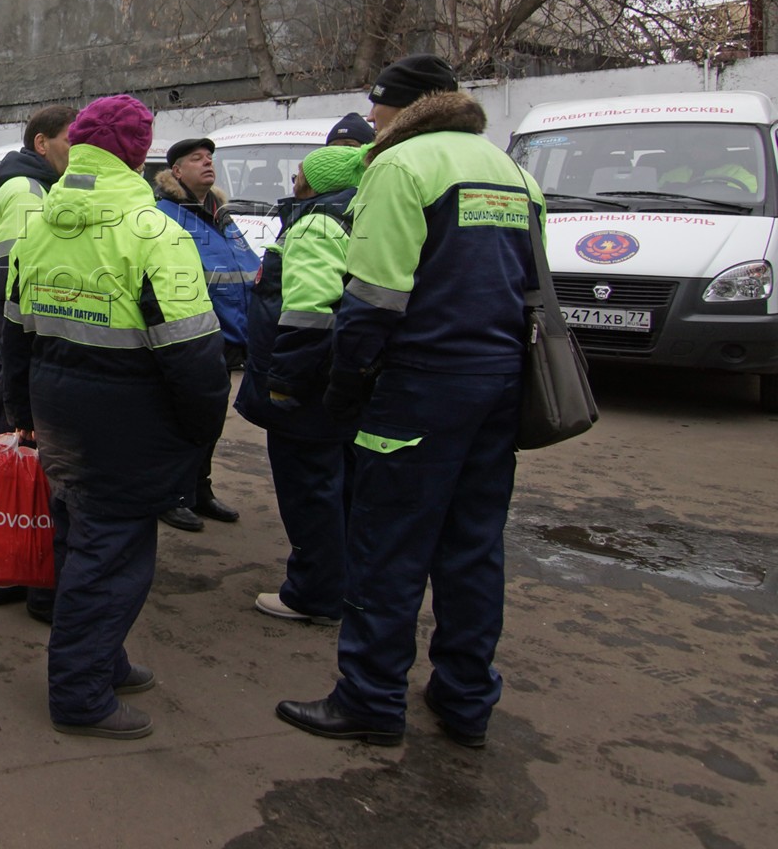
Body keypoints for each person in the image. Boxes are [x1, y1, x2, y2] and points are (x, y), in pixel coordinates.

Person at [276, 54, 542, 750]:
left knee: (386, 545)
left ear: (410, 106)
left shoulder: (399, 168)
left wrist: (343, 387)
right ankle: (464, 699)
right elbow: (534, 288)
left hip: (420, 384)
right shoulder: (512, 172)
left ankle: (368, 698)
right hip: (499, 382)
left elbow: (372, 300)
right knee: (474, 546)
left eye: (378, 106)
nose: (370, 120)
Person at [2, 95, 229, 740]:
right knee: (113, 559)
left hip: (57, 413)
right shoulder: (155, 232)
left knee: (80, 542)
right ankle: (78, 694)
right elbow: (193, 356)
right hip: (127, 424)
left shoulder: (40, 225)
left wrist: (23, 412)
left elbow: (14, 335)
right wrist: (200, 433)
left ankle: (103, 660)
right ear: (137, 153)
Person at [234, 145, 367, 626]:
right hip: (340, 378)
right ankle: (346, 583)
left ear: (315, 183)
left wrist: (284, 385)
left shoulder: (315, 222)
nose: (293, 181)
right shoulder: (357, 215)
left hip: (305, 384)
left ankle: (314, 592)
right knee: (342, 486)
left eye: (300, 175)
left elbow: (310, 313)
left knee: (308, 490)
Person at [0, 104, 76, 619]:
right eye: (68, 140)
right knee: (31, 476)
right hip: (18, 356)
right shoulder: (26, 194)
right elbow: (18, 288)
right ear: (42, 144)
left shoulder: (30, 189)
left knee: (24, 475)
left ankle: (10, 576)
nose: (75, 151)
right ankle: (25, 582)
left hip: (13, 354)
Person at [152, 136, 259, 531]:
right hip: (191, 337)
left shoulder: (221, 213)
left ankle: (200, 490)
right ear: (176, 172)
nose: (207, 163)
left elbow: (245, 268)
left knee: (210, 419)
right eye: (196, 159)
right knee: (181, 418)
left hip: (230, 336)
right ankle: (171, 495)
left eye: (210, 158)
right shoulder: (164, 214)